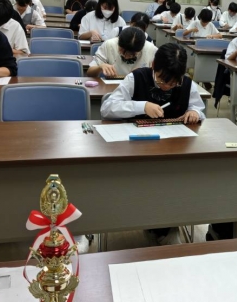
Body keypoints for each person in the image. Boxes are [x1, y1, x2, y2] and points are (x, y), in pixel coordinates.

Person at [101, 43, 205, 246]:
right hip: (136, 150)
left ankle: (168, 223)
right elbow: (107, 108)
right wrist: (142, 106)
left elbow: (198, 108)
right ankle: (156, 223)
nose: (167, 87)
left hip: (172, 150)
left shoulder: (186, 84)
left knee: (178, 179)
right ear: (153, 66)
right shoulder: (136, 78)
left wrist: (195, 112)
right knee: (151, 181)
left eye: (173, 83)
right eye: (162, 80)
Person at [87, 27, 157, 79]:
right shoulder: (109, 45)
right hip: (112, 87)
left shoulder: (151, 49)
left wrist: (146, 73)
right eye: (122, 51)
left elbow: (159, 78)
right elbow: (89, 73)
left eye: (132, 54)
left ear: (141, 48)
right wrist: (100, 67)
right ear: (118, 42)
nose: (126, 56)